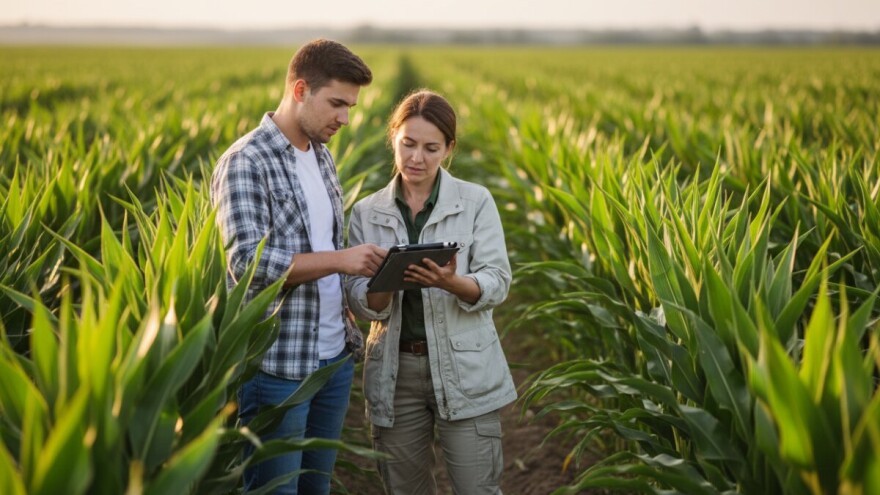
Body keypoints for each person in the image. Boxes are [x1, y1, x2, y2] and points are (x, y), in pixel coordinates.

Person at [210, 39, 387, 494]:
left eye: (350, 107)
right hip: (278, 366)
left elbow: (323, 241)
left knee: (315, 488)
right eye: (337, 104)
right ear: (300, 90)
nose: (345, 119)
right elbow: (246, 263)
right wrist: (341, 260)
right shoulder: (246, 161)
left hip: (333, 359)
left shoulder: (321, 155)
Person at [345, 90, 516, 494]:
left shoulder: (476, 202)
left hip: (466, 369)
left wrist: (450, 282)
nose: (416, 158)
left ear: (449, 149)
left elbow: (498, 281)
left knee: (477, 489)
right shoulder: (366, 212)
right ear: (393, 137)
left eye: (431, 148)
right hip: (395, 373)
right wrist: (386, 282)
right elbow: (357, 298)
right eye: (408, 144)